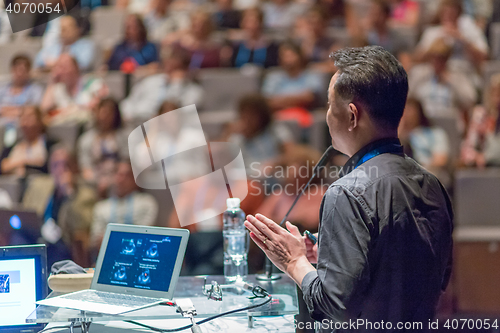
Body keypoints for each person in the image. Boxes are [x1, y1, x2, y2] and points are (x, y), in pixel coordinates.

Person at [244, 46, 453, 332]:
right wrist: (336, 252)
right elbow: (431, 278)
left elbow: (336, 309)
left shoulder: (346, 192)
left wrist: (295, 262)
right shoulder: (433, 185)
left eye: (330, 106)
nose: (328, 116)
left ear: (352, 116)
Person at [22, 145, 97, 267]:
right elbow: (26, 213)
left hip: (63, 243)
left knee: (54, 252)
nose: (61, 170)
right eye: (56, 165)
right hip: (38, 237)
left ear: (75, 168)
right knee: (18, 239)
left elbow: (80, 227)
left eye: (66, 165)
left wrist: (69, 193)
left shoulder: (84, 195)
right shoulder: (39, 186)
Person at [90, 160, 158, 254]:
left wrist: (112, 240)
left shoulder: (146, 202)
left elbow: (143, 235)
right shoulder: (101, 207)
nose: (120, 179)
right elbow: (97, 240)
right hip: (108, 255)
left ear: (135, 180)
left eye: (126, 175)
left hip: (138, 254)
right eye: (117, 174)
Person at [119, 50, 203, 123]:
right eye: (168, 66)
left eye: (176, 68)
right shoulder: (149, 81)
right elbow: (128, 102)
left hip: (168, 129)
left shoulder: (194, 91)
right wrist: (129, 115)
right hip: (139, 122)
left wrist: (177, 85)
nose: (170, 71)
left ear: (185, 70)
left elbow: (182, 114)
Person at [409, 38, 476, 119]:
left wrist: (451, 82)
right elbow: (408, 97)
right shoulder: (419, 73)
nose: (437, 62)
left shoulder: (457, 76)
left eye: (441, 59)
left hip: (447, 119)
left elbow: (470, 100)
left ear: (447, 59)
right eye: (434, 58)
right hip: (424, 121)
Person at [262, 42, 324, 127]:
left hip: (305, 117)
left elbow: (309, 98)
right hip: (277, 117)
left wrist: (281, 100)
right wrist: (297, 99)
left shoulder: (311, 75)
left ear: (299, 57)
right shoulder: (273, 76)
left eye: (291, 56)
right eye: (284, 56)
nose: (288, 59)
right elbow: (268, 102)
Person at [78, 98, 129, 197]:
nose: (105, 117)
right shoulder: (86, 140)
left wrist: (111, 181)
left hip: (118, 182)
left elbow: (125, 165)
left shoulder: (123, 137)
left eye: (109, 113)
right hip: (93, 184)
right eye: (103, 112)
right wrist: (98, 183)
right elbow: (86, 169)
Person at [40, 54, 108, 125]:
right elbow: (44, 110)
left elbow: (102, 105)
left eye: (64, 66)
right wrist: (52, 82)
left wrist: (73, 110)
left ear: (76, 67)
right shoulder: (58, 89)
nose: (60, 71)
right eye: (58, 67)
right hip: (67, 129)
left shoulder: (92, 82)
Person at [398, 98, 450, 173]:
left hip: (428, 173)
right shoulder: (398, 136)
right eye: (403, 110)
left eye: (410, 110)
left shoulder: (435, 133)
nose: (406, 114)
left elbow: (440, 160)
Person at [0, 106, 54, 176]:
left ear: (39, 120)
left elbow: (48, 167)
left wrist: (23, 164)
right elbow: (2, 167)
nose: (25, 120)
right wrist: (21, 163)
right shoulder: (12, 145)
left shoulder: (49, 144)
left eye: (29, 116)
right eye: (22, 117)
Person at [0, 55, 44, 120]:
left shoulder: (35, 90)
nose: (19, 74)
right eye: (17, 70)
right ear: (12, 69)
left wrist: (6, 110)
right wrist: (20, 109)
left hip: (24, 126)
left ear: (29, 71)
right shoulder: (2, 89)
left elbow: (34, 112)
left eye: (23, 70)